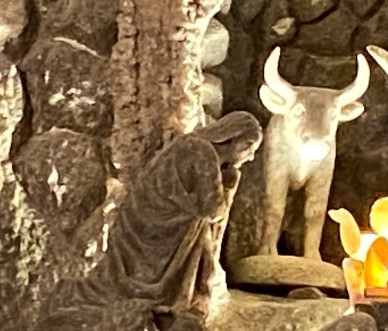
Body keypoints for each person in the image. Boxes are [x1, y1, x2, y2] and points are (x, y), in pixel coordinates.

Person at [37, 112, 262, 331]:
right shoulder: (204, 152)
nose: (250, 157)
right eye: (250, 148)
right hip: (161, 229)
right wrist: (230, 182)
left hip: (138, 219)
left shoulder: (190, 143)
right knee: (197, 228)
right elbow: (212, 210)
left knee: (195, 229)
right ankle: (172, 306)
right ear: (236, 140)